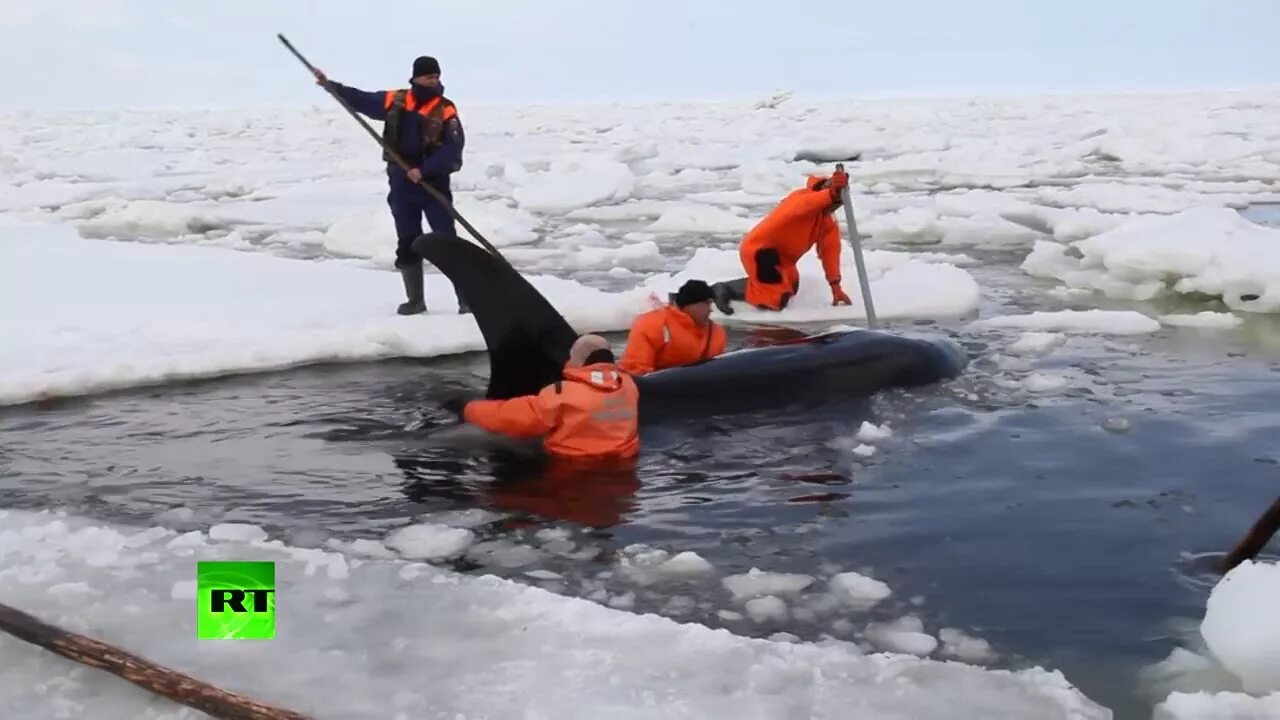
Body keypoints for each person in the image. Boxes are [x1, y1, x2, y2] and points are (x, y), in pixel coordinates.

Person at [312, 56, 468, 315]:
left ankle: (466, 300)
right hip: (402, 186)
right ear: (416, 77)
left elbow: (453, 149)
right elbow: (362, 100)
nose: (435, 81)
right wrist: (331, 86)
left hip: (433, 187)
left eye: (437, 76)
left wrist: (425, 170)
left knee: (447, 241)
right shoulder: (396, 100)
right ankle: (415, 301)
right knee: (407, 240)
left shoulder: (446, 109)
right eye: (430, 76)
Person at [444, 335, 640, 463]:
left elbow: (511, 416)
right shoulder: (628, 386)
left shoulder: (562, 393)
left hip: (571, 468)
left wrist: (468, 408)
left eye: (571, 357)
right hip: (624, 464)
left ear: (580, 361)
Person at [710, 169, 853, 315]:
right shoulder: (800, 197)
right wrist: (831, 194)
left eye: (839, 202)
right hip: (759, 251)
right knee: (776, 300)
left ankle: (757, 284)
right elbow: (802, 206)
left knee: (792, 287)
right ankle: (723, 289)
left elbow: (830, 253)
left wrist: (835, 286)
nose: (835, 205)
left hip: (783, 260)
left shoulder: (827, 221)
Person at [618, 279, 727, 376]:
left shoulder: (716, 333)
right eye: (706, 304)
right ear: (690, 304)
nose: (711, 309)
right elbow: (635, 370)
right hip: (656, 390)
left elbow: (718, 371)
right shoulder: (652, 325)